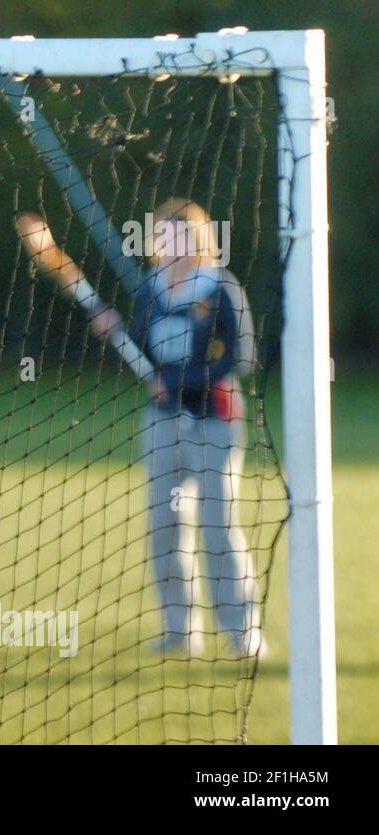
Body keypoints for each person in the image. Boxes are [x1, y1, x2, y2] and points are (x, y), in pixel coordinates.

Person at [125, 198, 262, 659]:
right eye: (159, 235)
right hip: (163, 422)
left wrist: (179, 382)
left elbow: (239, 358)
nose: (166, 244)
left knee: (217, 524)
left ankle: (244, 632)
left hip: (214, 420)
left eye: (176, 234)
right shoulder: (149, 288)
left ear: (198, 237)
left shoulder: (220, 287)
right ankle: (180, 631)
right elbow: (142, 349)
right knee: (165, 524)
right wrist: (115, 333)